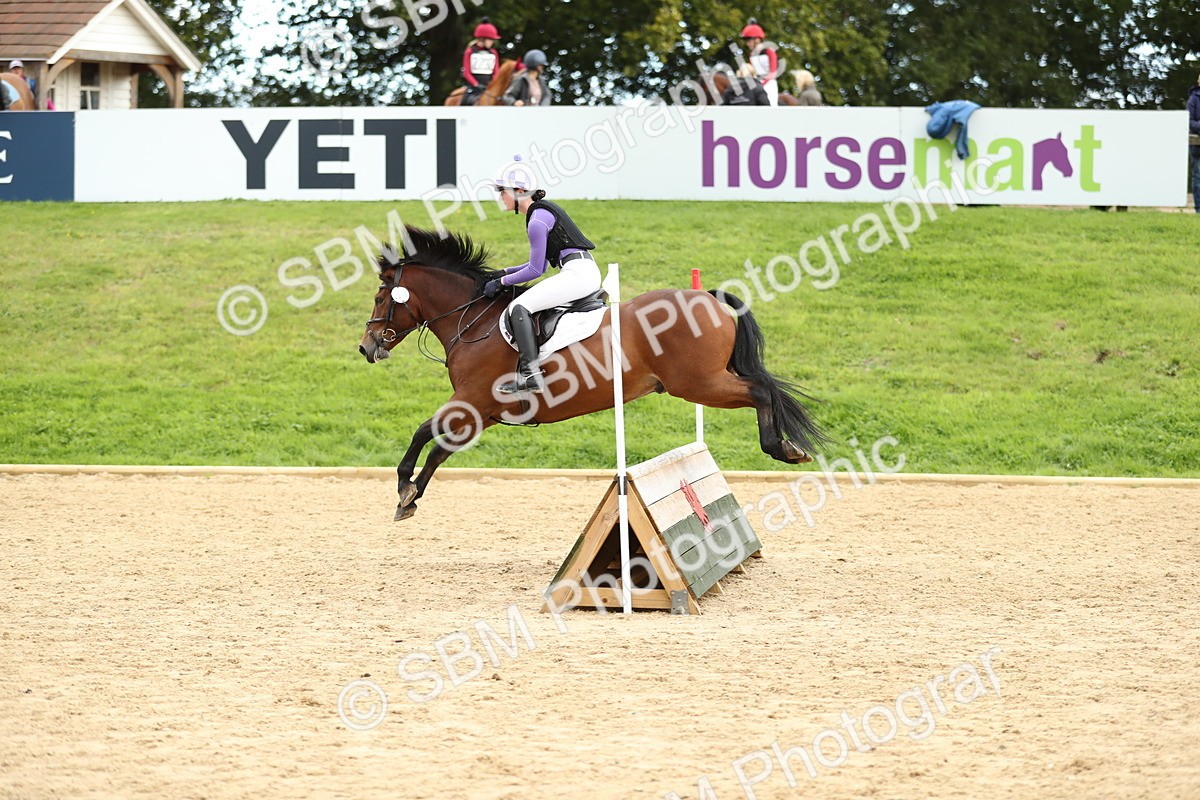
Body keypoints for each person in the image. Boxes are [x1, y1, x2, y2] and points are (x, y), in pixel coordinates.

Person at [483, 157, 602, 394]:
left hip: (578, 274)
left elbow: (536, 271)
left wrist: (501, 282)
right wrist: (504, 272)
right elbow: (540, 265)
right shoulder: (540, 213)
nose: (500, 198)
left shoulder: (537, 220)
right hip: (581, 270)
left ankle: (530, 374)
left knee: (519, 308)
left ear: (518, 191)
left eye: (502, 192)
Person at [461, 18, 500, 106]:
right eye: (491, 39)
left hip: (489, 87)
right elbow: (466, 73)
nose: (493, 42)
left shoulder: (494, 53)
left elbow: (496, 73)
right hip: (473, 87)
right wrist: (476, 85)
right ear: (482, 39)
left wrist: (492, 85)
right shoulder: (470, 52)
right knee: (464, 102)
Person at [740, 18, 778, 105]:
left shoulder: (769, 51)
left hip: (769, 84)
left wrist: (761, 84)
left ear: (757, 39)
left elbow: (773, 72)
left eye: (749, 41)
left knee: (771, 105)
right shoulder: (752, 55)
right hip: (756, 84)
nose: (747, 44)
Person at [1189, 72, 1200, 213]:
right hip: (1197, 144)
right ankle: (1199, 209)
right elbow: (1189, 121)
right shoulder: (1193, 99)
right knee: (1198, 176)